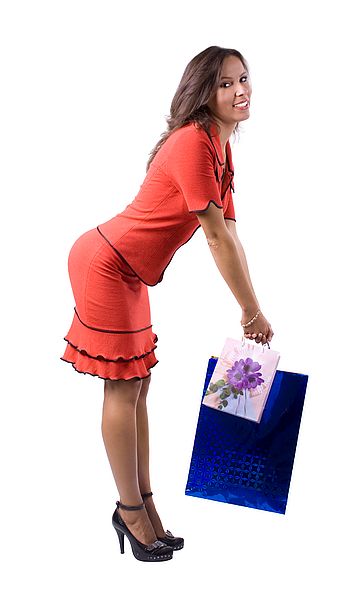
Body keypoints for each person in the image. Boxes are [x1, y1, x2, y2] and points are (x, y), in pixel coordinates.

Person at [61, 45, 274, 562]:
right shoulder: (191, 145)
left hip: (128, 273)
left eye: (243, 78)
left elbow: (233, 237)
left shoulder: (221, 150)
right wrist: (250, 312)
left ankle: (145, 505)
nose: (240, 89)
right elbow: (216, 239)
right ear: (204, 93)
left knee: (140, 384)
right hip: (105, 265)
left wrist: (253, 306)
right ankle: (130, 512)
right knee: (124, 383)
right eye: (226, 83)